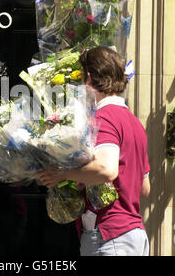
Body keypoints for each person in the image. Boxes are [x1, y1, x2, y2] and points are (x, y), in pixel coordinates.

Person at [38, 46, 151, 256]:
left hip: (110, 236)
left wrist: (62, 175)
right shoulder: (135, 123)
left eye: (81, 78)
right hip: (134, 235)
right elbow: (144, 188)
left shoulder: (105, 117)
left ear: (89, 78)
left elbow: (106, 170)